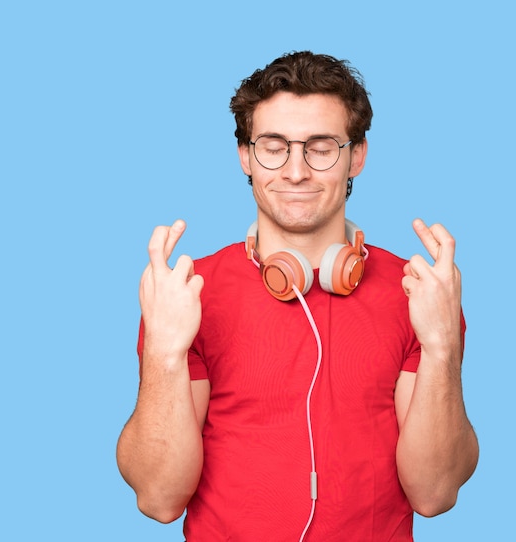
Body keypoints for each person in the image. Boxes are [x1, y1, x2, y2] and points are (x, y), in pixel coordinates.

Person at [117, 51, 478, 541]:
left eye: (321, 147)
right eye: (273, 146)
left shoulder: (417, 292)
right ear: (245, 155)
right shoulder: (185, 293)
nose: (295, 172)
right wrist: (163, 349)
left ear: (358, 156)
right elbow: (159, 499)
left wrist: (442, 348)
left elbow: (435, 493)